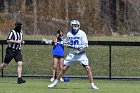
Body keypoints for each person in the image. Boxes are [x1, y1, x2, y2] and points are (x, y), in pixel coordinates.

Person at [48, 20, 99, 89]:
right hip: (72, 54)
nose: (76, 27)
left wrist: (79, 47)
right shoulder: (69, 34)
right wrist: (66, 43)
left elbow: (86, 44)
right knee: (64, 68)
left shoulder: (82, 33)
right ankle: (55, 82)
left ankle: (92, 84)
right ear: (71, 26)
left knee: (88, 68)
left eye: (77, 26)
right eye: (74, 26)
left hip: (81, 54)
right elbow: (68, 43)